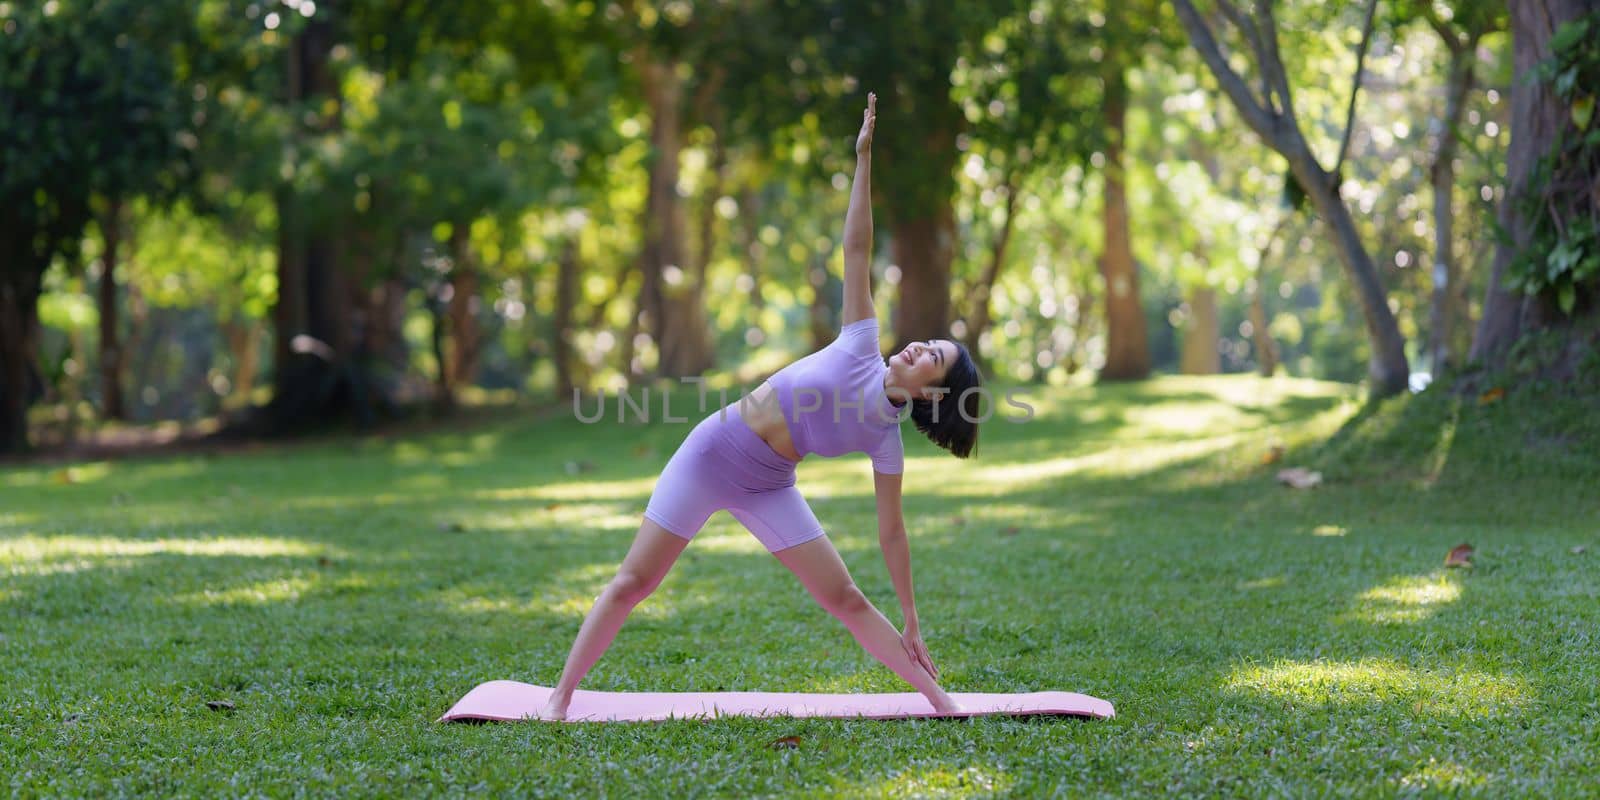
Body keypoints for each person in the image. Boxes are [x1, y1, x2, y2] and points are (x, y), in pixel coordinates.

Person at [540, 93, 984, 720]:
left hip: (770, 483)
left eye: (930, 356)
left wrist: (913, 618)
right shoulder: (861, 340)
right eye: (926, 342)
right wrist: (862, 159)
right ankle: (560, 699)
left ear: (932, 393)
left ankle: (940, 700)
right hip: (711, 453)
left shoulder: (886, 441)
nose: (915, 346)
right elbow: (857, 250)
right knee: (634, 583)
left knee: (847, 598)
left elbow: (892, 533)